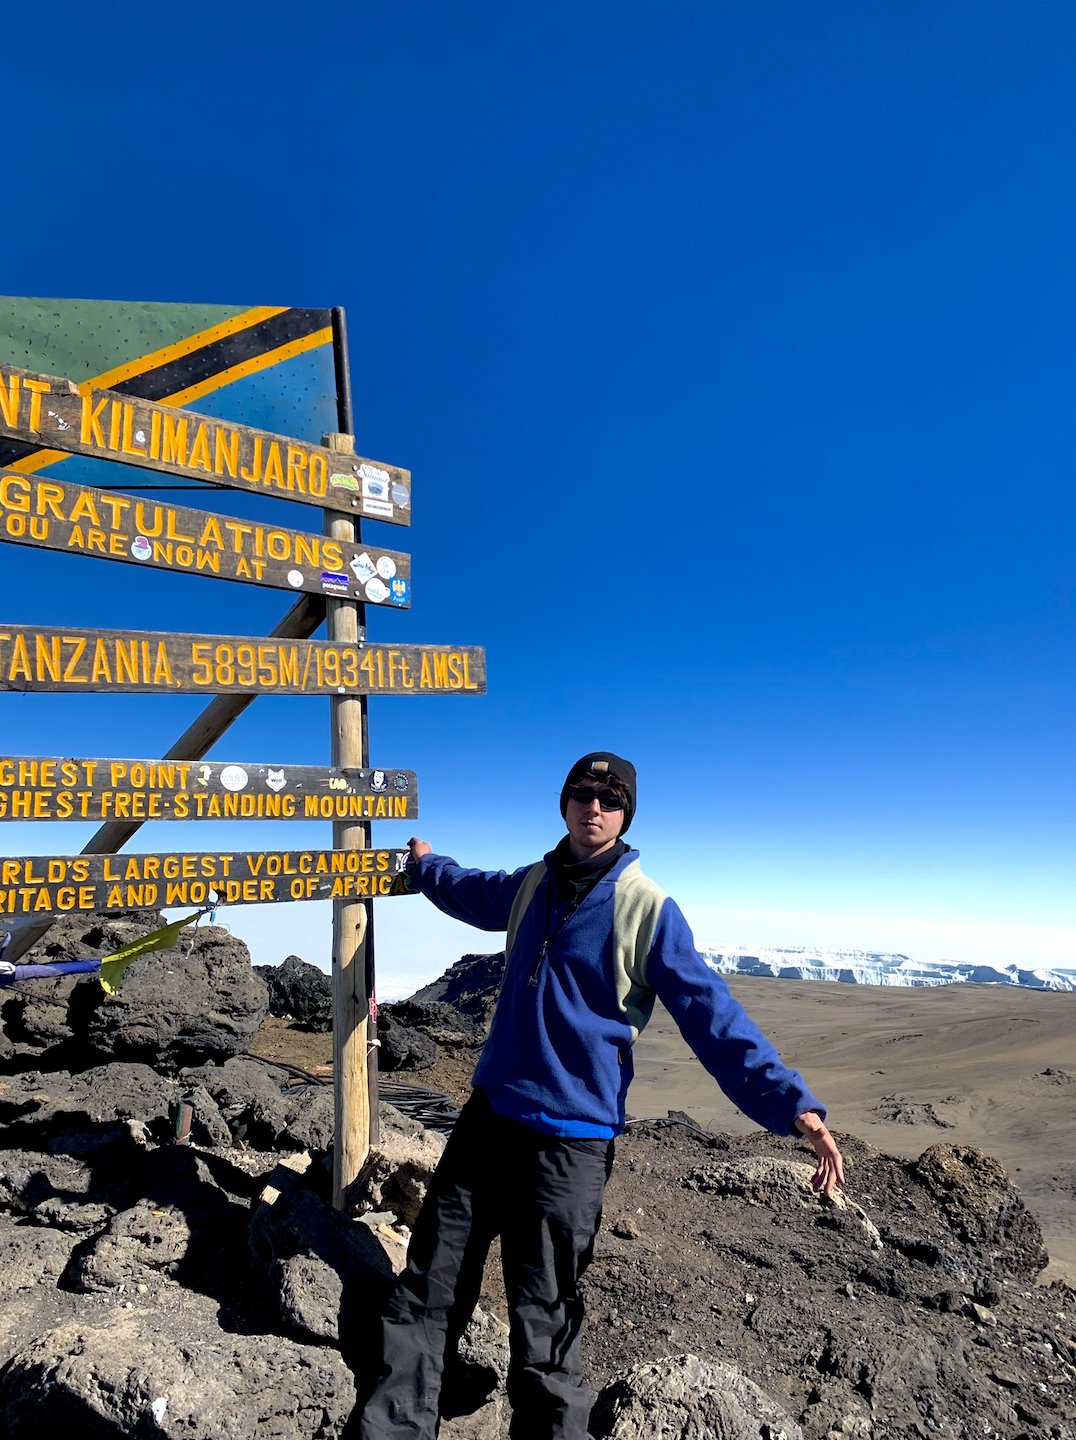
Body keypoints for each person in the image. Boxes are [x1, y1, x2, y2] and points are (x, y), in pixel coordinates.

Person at [358, 752, 843, 1440]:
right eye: (582, 794)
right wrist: (424, 864)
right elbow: (472, 890)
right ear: (564, 804)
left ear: (625, 815)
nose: (594, 807)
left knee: (544, 1322)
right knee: (428, 1290)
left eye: (610, 799)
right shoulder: (533, 884)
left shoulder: (648, 909)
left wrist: (793, 1105)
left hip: (570, 1145)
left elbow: (714, 1016)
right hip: (489, 1119)